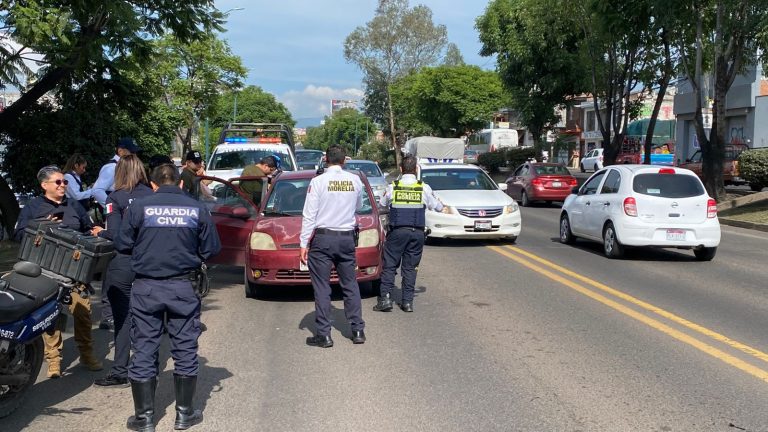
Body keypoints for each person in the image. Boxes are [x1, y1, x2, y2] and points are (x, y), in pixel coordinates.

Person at [115, 164, 221, 431]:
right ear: (181, 183)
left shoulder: (139, 207)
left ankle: (144, 419)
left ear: (153, 184)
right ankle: (184, 415)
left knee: (144, 348)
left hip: (147, 288)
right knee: (185, 348)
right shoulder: (197, 208)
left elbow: (123, 244)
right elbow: (212, 248)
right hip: (183, 287)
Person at [13, 165, 103, 378]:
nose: (63, 185)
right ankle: (54, 360)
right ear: (44, 185)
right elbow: (17, 234)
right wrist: (40, 226)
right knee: (50, 318)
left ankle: (87, 354)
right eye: (58, 182)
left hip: (74, 272)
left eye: (65, 182)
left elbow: (88, 230)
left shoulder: (75, 206)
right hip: (44, 272)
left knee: (82, 313)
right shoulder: (33, 208)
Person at [93, 155, 154, 388]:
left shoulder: (114, 198)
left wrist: (100, 232)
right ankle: (147, 368)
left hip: (124, 264)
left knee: (123, 319)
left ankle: (120, 371)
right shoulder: (153, 196)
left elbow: (118, 236)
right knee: (148, 317)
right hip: (149, 263)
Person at [299, 145, 366, 348]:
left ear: (326, 159)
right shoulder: (355, 180)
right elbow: (359, 207)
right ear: (344, 160)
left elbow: (309, 214)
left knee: (322, 287)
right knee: (350, 284)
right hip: (346, 238)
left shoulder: (318, 181)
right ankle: (357, 330)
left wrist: (303, 243)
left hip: (323, 239)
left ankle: (324, 334)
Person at [373, 155, 444, 313]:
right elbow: (439, 207)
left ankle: (385, 299)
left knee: (390, 265)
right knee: (410, 268)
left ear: (401, 169)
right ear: (416, 169)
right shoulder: (423, 187)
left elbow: (382, 205)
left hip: (397, 232)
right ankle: (407, 303)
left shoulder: (394, 186)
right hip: (416, 233)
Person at [92, 137, 140, 330]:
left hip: (121, 214)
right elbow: (97, 191)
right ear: (120, 150)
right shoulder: (111, 167)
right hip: (116, 216)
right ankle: (108, 314)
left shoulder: (124, 165)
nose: (133, 154)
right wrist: (113, 207)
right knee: (113, 264)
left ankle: (121, 311)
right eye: (130, 151)